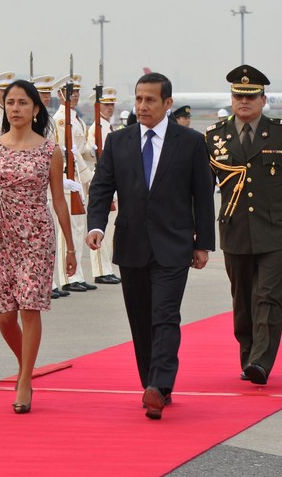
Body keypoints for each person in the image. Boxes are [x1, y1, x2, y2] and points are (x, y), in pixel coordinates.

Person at [87, 72, 215, 420]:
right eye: (139, 99)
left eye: (150, 100)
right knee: (141, 320)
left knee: (165, 316)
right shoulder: (119, 142)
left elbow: (202, 195)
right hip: (131, 244)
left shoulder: (189, 142)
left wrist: (203, 243)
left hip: (173, 246)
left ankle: (158, 384)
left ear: (167, 104)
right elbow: (101, 187)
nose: (142, 106)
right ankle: (153, 384)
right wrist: (96, 225)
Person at [0, 79, 76, 413]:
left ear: (35, 109)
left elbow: (59, 200)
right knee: (4, 315)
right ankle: (25, 365)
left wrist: (71, 247)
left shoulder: (50, 150)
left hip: (36, 236)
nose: (15, 109)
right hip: (0, 238)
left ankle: (25, 380)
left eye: (22, 103)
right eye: (10, 103)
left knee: (30, 308)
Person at [205, 65, 282, 386]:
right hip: (235, 231)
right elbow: (201, 187)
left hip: (276, 230)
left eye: (251, 97)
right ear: (232, 99)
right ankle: (248, 354)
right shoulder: (215, 136)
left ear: (263, 100)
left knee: (268, 297)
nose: (244, 102)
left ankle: (261, 362)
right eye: (239, 96)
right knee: (242, 301)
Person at [50, 74, 97, 293]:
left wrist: (92, 153)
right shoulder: (61, 119)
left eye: (77, 92)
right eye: (71, 92)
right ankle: (67, 276)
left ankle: (76, 274)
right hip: (68, 177)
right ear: (60, 95)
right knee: (66, 228)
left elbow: (81, 148)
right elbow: (61, 152)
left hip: (78, 175)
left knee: (78, 228)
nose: (75, 96)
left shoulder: (75, 118)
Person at [32, 74, 69, 299]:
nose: (45, 97)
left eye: (47, 93)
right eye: (41, 93)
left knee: (47, 235)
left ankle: (50, 280)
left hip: (49, 176)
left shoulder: (51, 120)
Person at [85, 87, 122, 285]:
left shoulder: (107, 126)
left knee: (108, 233)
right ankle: (100, 270)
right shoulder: (96, 128)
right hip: (101, 178)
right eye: (106, 104)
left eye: (111, 104)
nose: (110, 108)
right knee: (100, 230)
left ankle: (105, 268)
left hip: (112, 181)